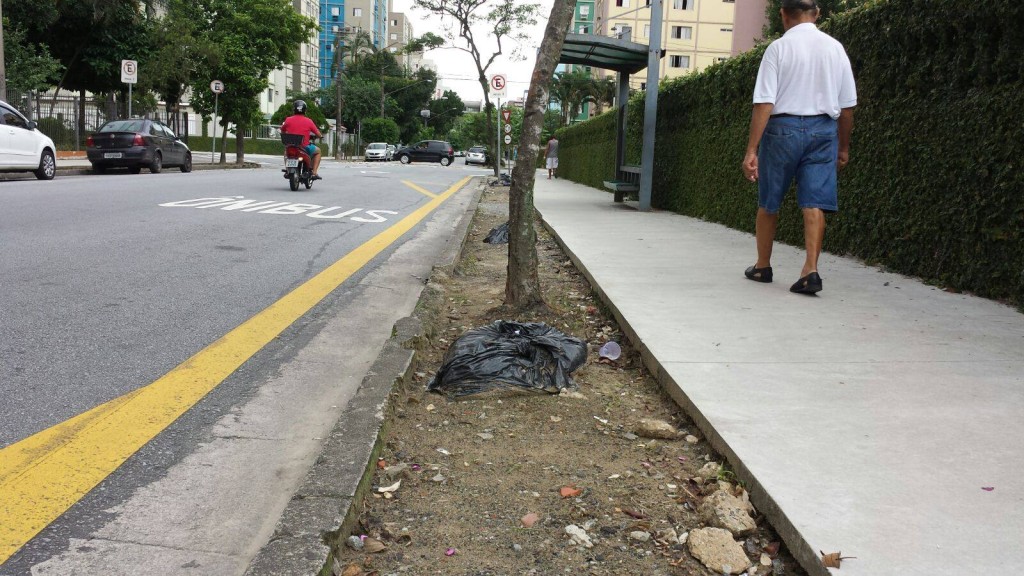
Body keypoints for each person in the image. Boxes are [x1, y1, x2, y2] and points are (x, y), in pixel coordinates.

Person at [741, 0, 856, 295]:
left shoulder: (777, 49)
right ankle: (810, 271)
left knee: (769, 201)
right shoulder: (835, 48)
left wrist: (751, 150)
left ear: (783, 14)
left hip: (782, 130)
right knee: (814, 201)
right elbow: (847, 108)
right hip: (823, 131)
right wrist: (843, 147)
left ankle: (763, 266)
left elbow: (764, 102)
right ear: (817, 14)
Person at [280, 100, 323, 180]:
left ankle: (288, 170)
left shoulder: (288, 119)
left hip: (291, 146)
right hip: (304, 147)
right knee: (318, 151)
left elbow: (282, 130)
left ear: (294, 109)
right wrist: (320, 136)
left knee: (286, 153)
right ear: (305, 110)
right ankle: (314, 172)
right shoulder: (309, 121)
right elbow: (318, 134)